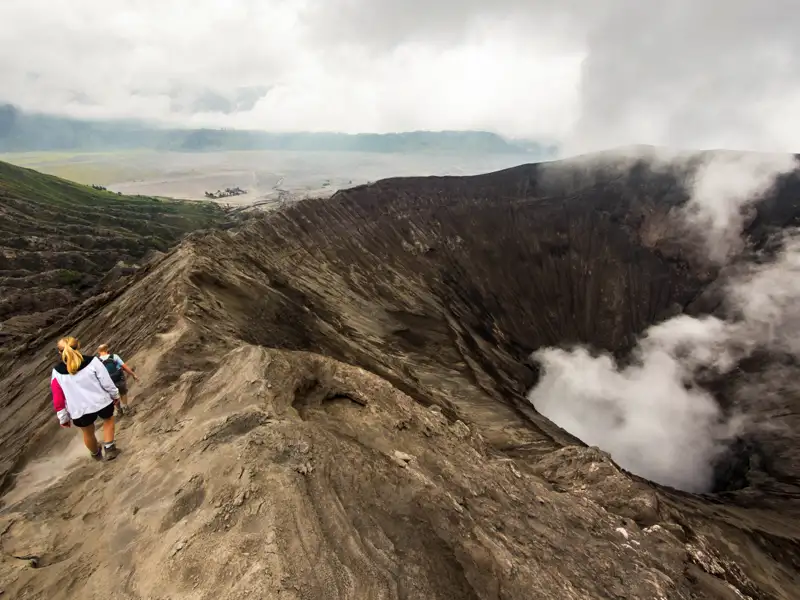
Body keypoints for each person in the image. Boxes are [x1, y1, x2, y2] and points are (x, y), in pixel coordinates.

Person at [51, 336, 120, 461]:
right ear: (78, 346)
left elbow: (58, 397)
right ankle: (110, 449)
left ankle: (95, 453)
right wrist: (115, 395)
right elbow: (106, 381)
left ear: (60, 352)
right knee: (108, 420)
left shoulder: (57, 372)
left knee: (87, 432)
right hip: (101, 401)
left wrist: (63, 417)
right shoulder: (93, 361)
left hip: (78, 409)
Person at [96, 344, 138, 417]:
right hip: (119, 378)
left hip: (108, 381)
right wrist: (133, 374)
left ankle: (119, 410)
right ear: (107, 350)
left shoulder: (97, 361)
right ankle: (125, 407)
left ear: (99, 352)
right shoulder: (114, 356)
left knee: (113, 396)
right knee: (123, 392)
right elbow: (124, 367)